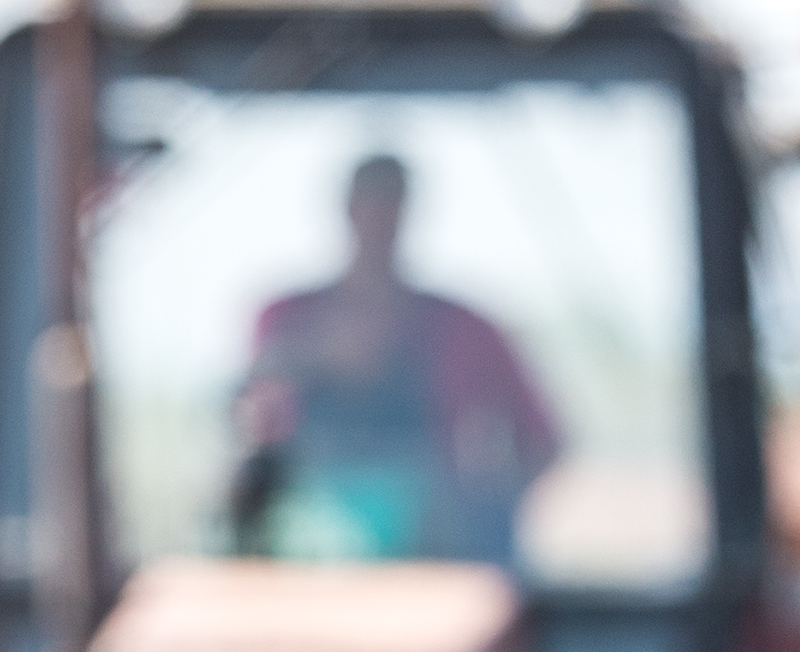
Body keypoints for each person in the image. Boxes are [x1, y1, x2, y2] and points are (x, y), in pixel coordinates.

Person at [227, 151, 562, 564]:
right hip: (303, 562)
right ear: (347, 210)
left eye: (391, 204)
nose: (379, 220)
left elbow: (543, 441)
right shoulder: (284, 318)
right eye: (369, 204)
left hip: (438, 562)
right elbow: (246, 418)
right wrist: (306, 357)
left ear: (409, 212)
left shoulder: (467, 330)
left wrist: (487, 511)